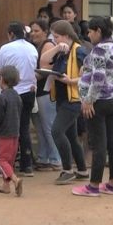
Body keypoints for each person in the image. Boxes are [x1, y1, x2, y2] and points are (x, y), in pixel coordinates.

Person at [71, 17, 113, 197]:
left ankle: (93, 185)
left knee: (99, 144)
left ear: (98, 31)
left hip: (99, 101)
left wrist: (88, 100)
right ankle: (112, 183)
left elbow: (99, 77)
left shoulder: (99, 50)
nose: (89, 35)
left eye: (91, 32)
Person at [42, 19, 89, 184]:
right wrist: (56, 47)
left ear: (67, 35)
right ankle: (82, 170)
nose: (55, 40)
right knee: (70, 136)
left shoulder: (80, 51)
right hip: (62, 99)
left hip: (73, 99)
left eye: (57, 37)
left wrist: (71, 81)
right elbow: (44, 60)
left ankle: (67, 169)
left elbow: (89, 75)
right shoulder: (61, 51)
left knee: (56, 131)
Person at [0, 21, 39, 176]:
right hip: (29, 91)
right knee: (24, 128)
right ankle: (27, 165)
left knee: (7, 129)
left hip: (13, 92)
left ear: (11, 34)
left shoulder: (6, 48)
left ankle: (6, 164)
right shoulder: (32, 48)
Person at [29, 19, 61, 172]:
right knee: (40, 127)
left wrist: (28, 76)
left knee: (48, 126)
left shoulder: (47, 45)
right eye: (32, 31)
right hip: (38, 91)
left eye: (36, 31)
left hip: (46, 91)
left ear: (45, 31)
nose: (33, 33)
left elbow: (47, 68)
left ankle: (55, 159)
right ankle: (43, 157)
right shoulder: (37, 46)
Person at [0, 65, 24, 197]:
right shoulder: (17, 96)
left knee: (0, 158)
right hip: (15, 133)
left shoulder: (1, 97)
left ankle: (15, 180)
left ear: (2, 79)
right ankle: (5, 185)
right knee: (9, 160)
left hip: (3, 133)